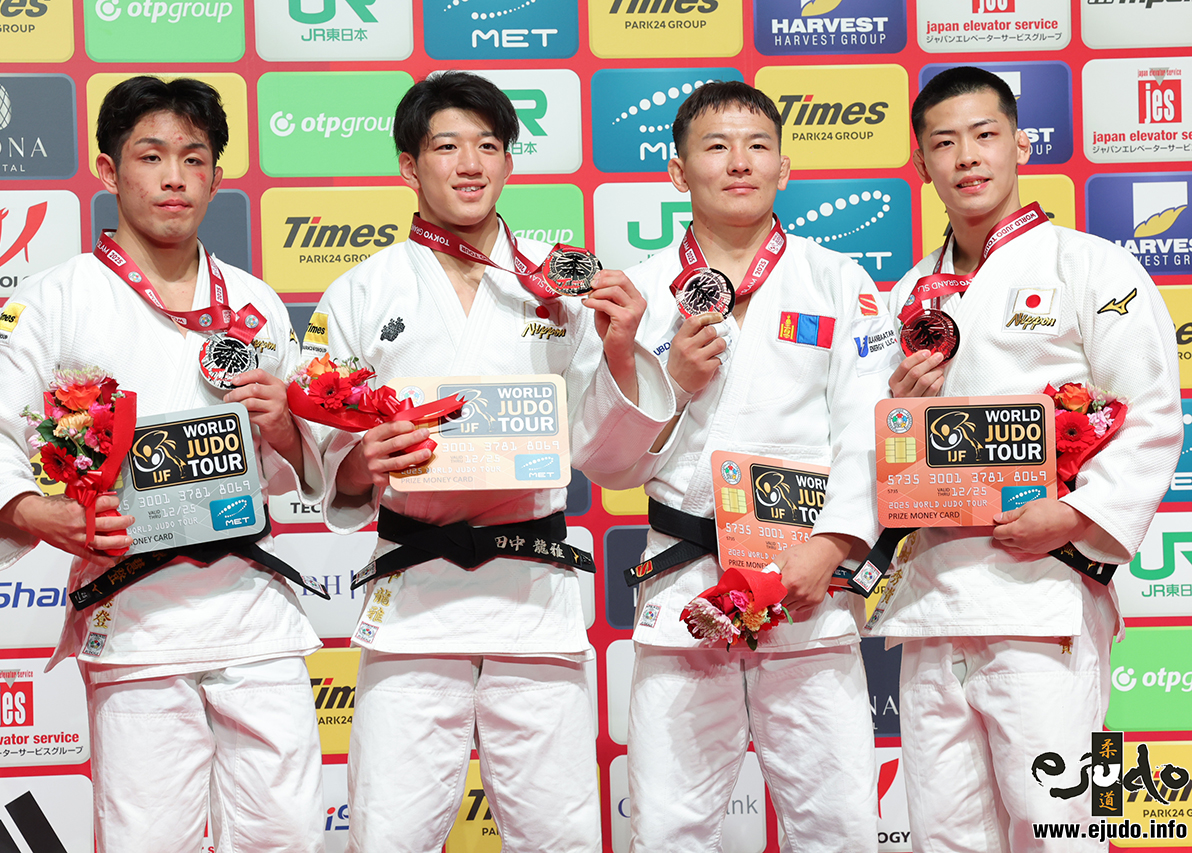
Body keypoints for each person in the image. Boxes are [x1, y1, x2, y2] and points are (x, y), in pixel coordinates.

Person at [0, 76, 326, 853]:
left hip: (253, 613)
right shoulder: (55, 299)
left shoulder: (253, 304)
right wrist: (41, 514)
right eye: (151, 156)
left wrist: (287, 428)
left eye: (195, 157)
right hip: (136, 617)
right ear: (108, 170)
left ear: (219, 175)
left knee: (286, 834)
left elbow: (306, 467)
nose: (175, 176)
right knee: (149, 839)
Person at [309, 70, 675, 852]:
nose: (470, 163)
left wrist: (617, 347)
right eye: (447, 146)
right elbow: (329, 468)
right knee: (388, 833)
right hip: (411, 596)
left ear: (510, 161)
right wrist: (360, 460)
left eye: (488, 145)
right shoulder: (360, 292)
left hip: (532, 590)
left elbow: (607, 457)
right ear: (409, 165)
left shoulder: (562, 283)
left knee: (561, 834)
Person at [871, 65, 1181, 851]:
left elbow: (1150, 414)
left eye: (985, 135)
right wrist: (903, 408)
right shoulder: (908, 295)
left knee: (1062, 829)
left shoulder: (1092, 265)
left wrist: (1072, 515)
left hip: (1045, 594)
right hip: (937, 603)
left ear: (1020, 144)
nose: (967, 157)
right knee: (945, 836)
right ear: (922, 163)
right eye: (944, 142)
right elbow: (880, 452)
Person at [580, 80, 891, 852]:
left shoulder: (839, 281)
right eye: (716, 147)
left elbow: (868, 430)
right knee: (669, 825)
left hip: (805, 584)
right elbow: (603, 461)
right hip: (684, 581)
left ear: (785, 165)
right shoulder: (638, 291)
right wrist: (671, 383)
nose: (740, 162)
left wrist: (833, 547)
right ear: (678, 173)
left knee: (840, 824)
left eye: (757, 145)